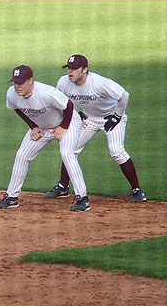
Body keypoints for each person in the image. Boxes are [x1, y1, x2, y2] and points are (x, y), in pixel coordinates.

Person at [43, 54, 146, 202]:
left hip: (111, 117)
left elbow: (124, 95)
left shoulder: (99, 83)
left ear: (84, 70)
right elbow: (62, 101)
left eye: (74, 69)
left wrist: (117, 115)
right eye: (69, 68)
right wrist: (77, 113)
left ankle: (137, 190)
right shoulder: (64, 82)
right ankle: (63, 187)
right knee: (70, 149)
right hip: (88, 118)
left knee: (117, 150)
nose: (70, 72)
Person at [0, 65, 90, 211]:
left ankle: (82, 198)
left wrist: (63, 127)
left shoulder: (46, 93)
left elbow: (68, 106)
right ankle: (12, 197)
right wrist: (33, 126)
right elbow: (16, 108)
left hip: (67, 123)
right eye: (15, 83)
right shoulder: (11, 94)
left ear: (30, 81)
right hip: (43, 127)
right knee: (21, 155)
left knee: (67, 155)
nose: (17, 86)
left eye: (20, 83)